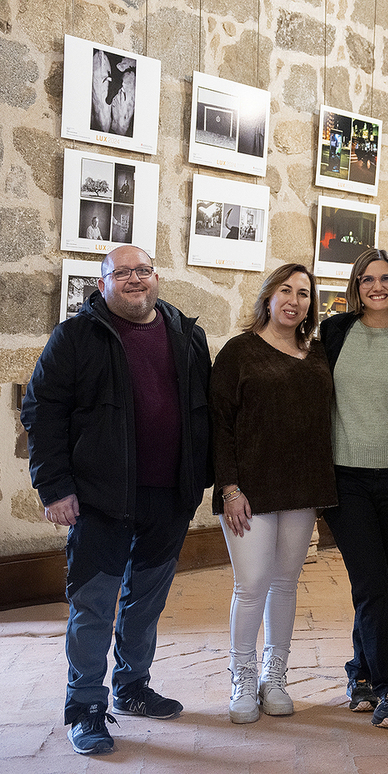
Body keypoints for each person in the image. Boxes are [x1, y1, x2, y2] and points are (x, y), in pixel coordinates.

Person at [20, 245, 212, 755]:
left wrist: (202, 479)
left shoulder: (187, 334)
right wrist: (54, 487)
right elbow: (41, 411)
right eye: (121, 272)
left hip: (168, 496)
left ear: (156, 277)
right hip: (100, 498)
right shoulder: (76, 336)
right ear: (102, 283)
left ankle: (132, 688)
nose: (134, 279)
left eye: (142, 270)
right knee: (94, 606)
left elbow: (204, 412)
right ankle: (84, 706)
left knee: (145, 603)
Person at [210, 263, 337, 725]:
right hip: (249, 489)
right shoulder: (239, 352)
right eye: (286, 290)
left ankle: (274, 676)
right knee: (251, 585)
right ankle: (242, 677)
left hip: (302, 485)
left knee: (285, 582)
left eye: (304, 293)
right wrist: (229, 489)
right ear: (268, 296)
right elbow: (220, 425)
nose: (294, 300)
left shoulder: (317, 352)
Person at [319, 248, 388, 730]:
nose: (377, 286)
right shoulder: (334, 332)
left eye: (386, 278)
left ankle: (359, 673)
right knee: (371, 582)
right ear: (355, 286)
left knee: (379, 582)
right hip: (346, 478)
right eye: (367, 279)